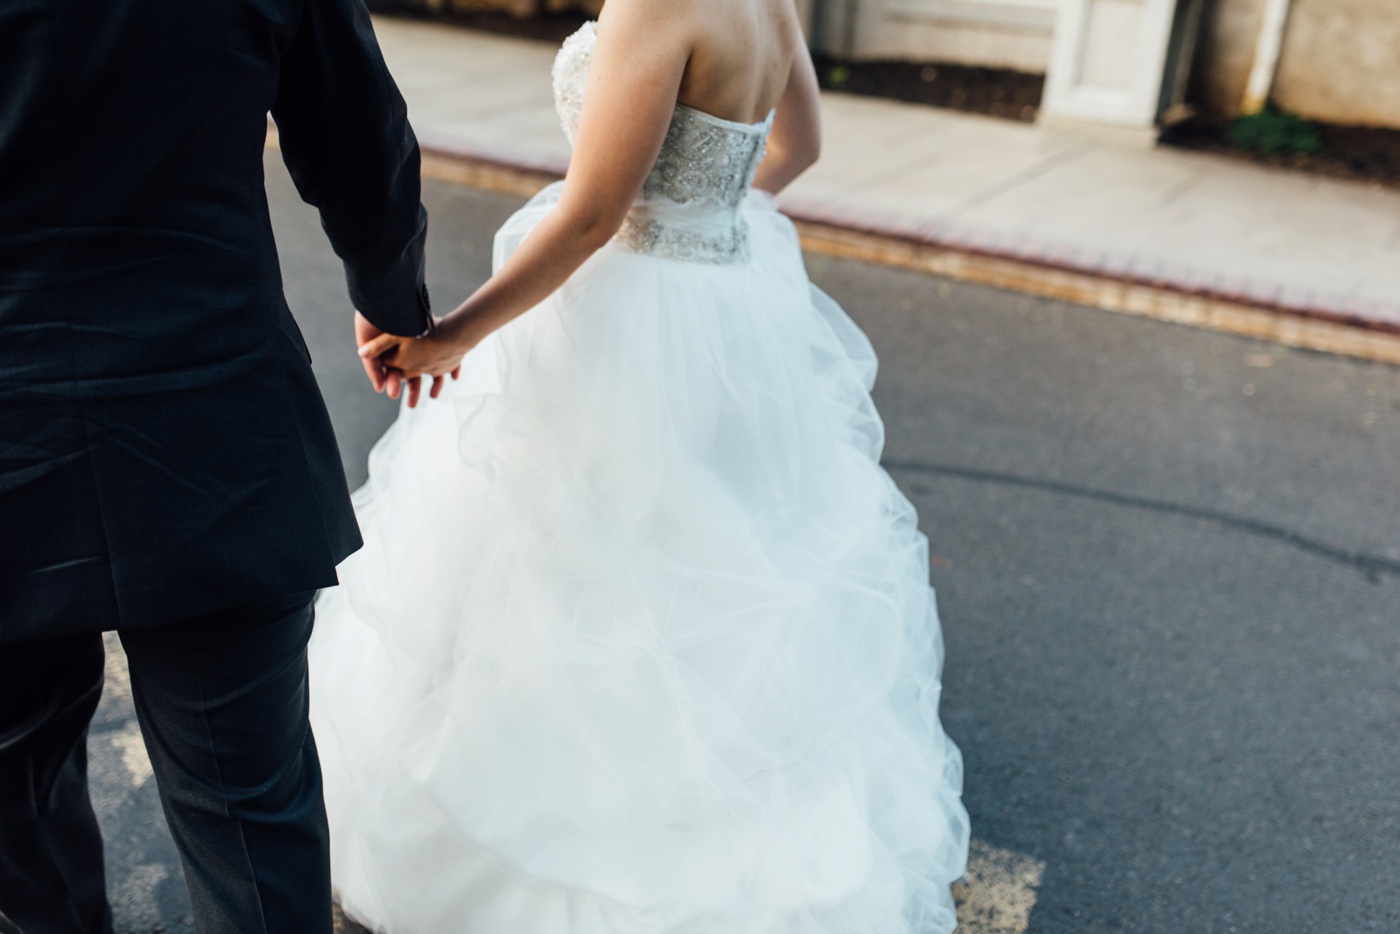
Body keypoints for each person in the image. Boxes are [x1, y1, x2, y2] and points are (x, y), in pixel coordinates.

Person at [313, 0, 971, 930]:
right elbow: (797, 152)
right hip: (730, 309)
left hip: (626, 321)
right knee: (708, 571)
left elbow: (589, 217)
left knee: (574, 574)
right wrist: (702, 221)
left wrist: (448, 336)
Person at [0, 0, 436, 931]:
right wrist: (393, 295)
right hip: (214, 426)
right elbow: (364, 142)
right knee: (248, 811)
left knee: (12, 788)